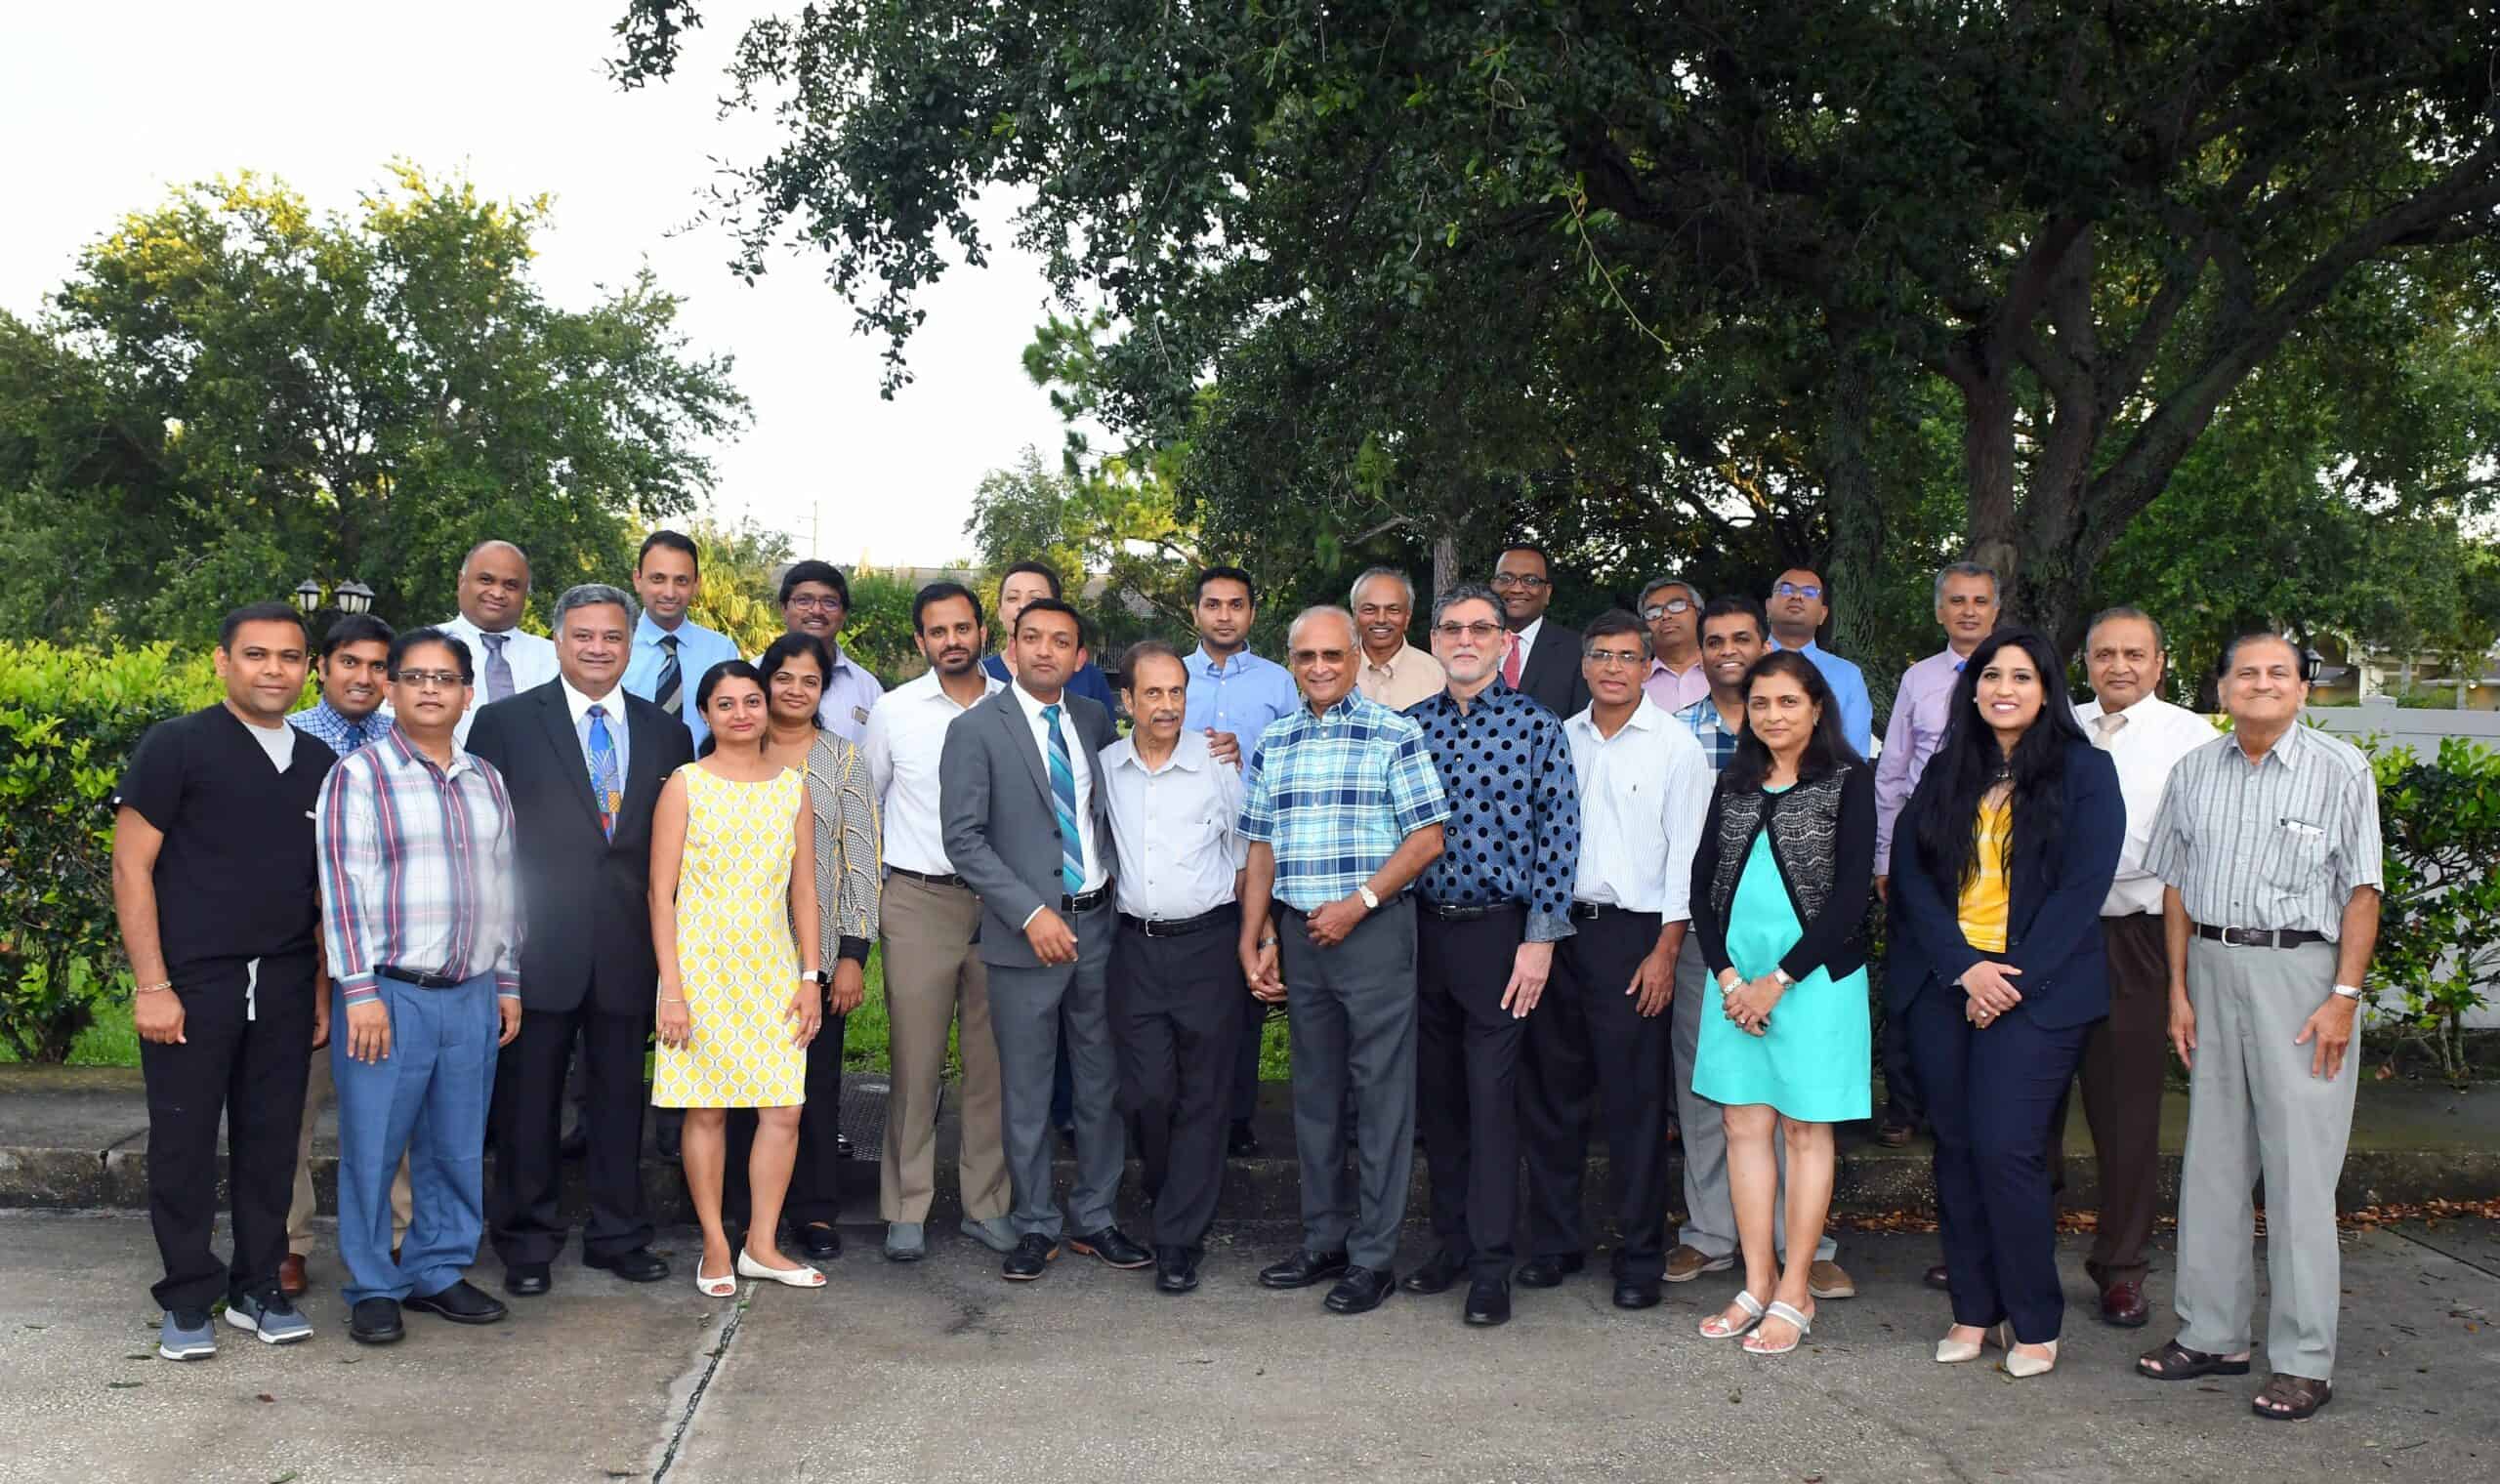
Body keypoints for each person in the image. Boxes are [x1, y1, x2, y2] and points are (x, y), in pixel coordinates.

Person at [2136, 633, 2382, 1422]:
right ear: (2222, 689)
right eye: (2248, 672)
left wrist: (2344, 995)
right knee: (2213, 1160)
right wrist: (2177, 988)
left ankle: (2305, 1359)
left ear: (2304, 690)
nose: (2264, 683)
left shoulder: (2340, 770)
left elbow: (2361, 892)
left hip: (2303, 981)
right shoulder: (2194, 771)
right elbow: (2174, 885)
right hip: (2209, 969)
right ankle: (2211, 1335)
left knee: (2300, 1175)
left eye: (2281, 673)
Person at [1888, 629, 2123, 1381]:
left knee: (2007, 1151)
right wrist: (1964, 970)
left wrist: (2006, 979)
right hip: (1948, 987)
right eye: (1992, 675)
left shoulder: (2086, 771)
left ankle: (2035, 1319)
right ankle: (1972, 1309)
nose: (2005, 688)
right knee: (1955, 1151)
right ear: (1973, 687)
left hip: (2038, 993)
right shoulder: (1948, 767)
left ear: (2047, 690)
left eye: (2021, 677)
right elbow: (1912, 876)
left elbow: (2084, 891)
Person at [112, 601, 337, 1360]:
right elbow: (131, 866)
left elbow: (315, 890)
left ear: (307, 668)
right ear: (222, 662)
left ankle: (257, 1288)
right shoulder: (176, 747)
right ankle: (186, 1296)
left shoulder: (316, 763)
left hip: (282, 980)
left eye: (288, 657)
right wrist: (152, 985)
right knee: (181, 1142)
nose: (274, 670)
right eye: (256, 655)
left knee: (272, 1144)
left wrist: (316, 989)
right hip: (191, 983)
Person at [469, 584, 694, 1296]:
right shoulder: (504, 724)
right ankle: (527, 1243)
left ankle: (617, 1233)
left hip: (629, 946)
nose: (598, 648)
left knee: (621, 1099)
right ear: (559, 640)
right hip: (536, 946)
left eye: (612, 637)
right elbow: (483, 844)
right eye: (583, 636)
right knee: (528, 1103)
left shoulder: (667, 733)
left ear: (630, 645)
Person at [314, 627, 524, 1344]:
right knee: (375, 1143)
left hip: (470, 992)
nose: (431, 689)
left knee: (457, 1143)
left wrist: (506, 979)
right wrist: (358, 993)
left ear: (468, 695)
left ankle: (437, 1268)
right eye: (415, 677)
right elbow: (343, 891)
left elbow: (504, 887)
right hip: (388, 994)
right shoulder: (361, 775)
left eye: (445, 678)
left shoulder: (487, 779)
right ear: (393, 691)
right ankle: (374, 1282)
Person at [1240, 606, 1450, 1316]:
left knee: (1382, 1098)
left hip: (1372, 933)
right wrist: (1260, 932)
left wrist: (1357, 903)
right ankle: (1323, 1238)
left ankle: (1373, 1256)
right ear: (1292, 661)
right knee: (1316, 1096)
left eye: (1334, 654)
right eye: (1307, 657)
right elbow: (1262, 847)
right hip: (1302, 936)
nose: (1321, 667)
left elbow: (1427, 839)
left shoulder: (1396, 732)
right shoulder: (1276, 741)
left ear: (1357, 657)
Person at [940, 596, 1152, 1281]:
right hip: (1025, 937)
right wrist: (1032, 914)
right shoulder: (976, 730)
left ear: (1079, 658)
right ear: (1010, 647)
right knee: (1027, 1090)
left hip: (1100, 926)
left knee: (1099, 1082)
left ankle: (1096, 1217)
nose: (1044, 650)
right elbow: (964, 840)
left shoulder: (1093, 718)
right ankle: (1035, 1223)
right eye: (1031, 637)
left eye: (1060, 641)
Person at [1397, 583, 1581, 1328]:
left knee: (1492, 1100)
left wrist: (1539, 940)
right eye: (1452, 628)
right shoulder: (1407, 729)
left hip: (1500, 937)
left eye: (1481, 628)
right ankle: (1450, 1244)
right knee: (1439, 1103)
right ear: (1436, 642)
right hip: (1420, 933)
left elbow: (1560, 839)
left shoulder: (1539, 727)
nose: (1465, 639)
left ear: (1505, 642)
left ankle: (1493, 1263)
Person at [1687, 650, 1872, 1357]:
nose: (1773, 716)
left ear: (1817, 707)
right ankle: (1755, 1281)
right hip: (1735, 989)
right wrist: (1732, 979)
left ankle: (1796, 1288)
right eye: (1760, 703)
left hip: (1814, 985)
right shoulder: (1732, 784)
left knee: (1803, 1134)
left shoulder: (1849, 781)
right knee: (1742, 1129)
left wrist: (1778, 981)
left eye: (1788, 702)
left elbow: (1852, 898)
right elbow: (1703, 888)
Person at [1522, 611, 1710, 1311]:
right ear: (1584, 664)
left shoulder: (1675, 748)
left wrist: (1666, 949)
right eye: (1600, 654)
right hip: (1556, 935)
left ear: (1645, 665)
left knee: (1634, 1106)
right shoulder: (1556, 738)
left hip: (1634, 940)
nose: (1612, 668)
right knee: (1551, 1099)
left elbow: (1691, 860)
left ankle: (1638, 1256)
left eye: (1627, 657)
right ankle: (1555, 1243)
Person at [649, 659, 827, 1297]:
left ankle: (762, 1243)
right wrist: (671, 988)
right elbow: (658, 893)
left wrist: (810, 976)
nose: (742, 713)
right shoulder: (685, 785)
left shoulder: (791, 787)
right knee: (709, 1110)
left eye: (751, 700)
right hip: (700, 971)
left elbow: (805, 890)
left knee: (784, 1108)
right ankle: (716, 1244)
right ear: (705, 714)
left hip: (772, 968)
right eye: (726, 704)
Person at [862, 582, 1015, 1260]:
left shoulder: (1016, 707)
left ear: (982, 631)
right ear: (920, 641)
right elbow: (869, 811)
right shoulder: (895, 712)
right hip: (919, 900)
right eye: (937, 631)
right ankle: (906, 1208)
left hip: (1002, 906)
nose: (952, 640)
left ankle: (987, 1205)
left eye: (962, 627)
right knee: (915, 1062)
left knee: (992, 1068)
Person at [2070, 606, 2213, 1328]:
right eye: (2104, 654)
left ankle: (2120, 1267)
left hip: (2139, 936)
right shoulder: (2059, 725)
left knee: (2126, 1111)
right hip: (2052, 936)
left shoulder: (2194, 738)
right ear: (2086, 662)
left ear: (2160, 663)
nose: (2118, 666)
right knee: (2022, 1103)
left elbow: (2191, 848)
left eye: (2134, 654)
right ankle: (2006, 1249)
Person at [1100, 639, 1248, 1294]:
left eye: (1177, 692)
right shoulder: (1105, 768)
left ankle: (1179, 1239)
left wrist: (1255, 938)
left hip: (1209, 946)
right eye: (1153, 693)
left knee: (1204, 1093)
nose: (1167, 705)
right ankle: (1169, 1192)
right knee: (1147, 1092)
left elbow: (1247, 857)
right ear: (1126, 700)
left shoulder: (1218, 764)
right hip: (1133, 947)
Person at [740, 633, 879, 1263]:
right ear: (765, 680)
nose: (795, 689)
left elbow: (860, 863)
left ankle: (815, 1213)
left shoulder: (843, 760)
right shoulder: (732, 749)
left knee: (812, 1088)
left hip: (814, 956)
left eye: (810, 680)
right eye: (785, 677)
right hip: (736, 951)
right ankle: (745, 1215)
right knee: (741, 1085)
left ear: (824, 690)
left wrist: (851, 954)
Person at [283, 612, 406, 1298]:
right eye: (350, 663)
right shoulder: (288, 740)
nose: (364, 677)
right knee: (292, 1108)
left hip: (387, 956)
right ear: (322, 667)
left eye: (378, 665)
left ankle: (399, 1238)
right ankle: (289, 1241)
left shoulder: (406, 742)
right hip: (301, 955)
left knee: (396, 1109)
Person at [1871, 561, 2002, 1149]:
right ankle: (1905, 1104)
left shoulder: (2018, 674)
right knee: (1910, 975)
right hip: (1923, 847)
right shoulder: (1919, 680)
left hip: (2000, 849)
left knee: (1984, 966)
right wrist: (1884, 857)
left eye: (1979, 600)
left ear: (1996, 611)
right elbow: (1893, 770)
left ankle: (1977, 1095)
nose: (1968, 610)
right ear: (1939, 611)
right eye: (1956, 600)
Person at [1182, 564, 1302, 1157]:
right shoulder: (1173, 678)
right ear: (1196, 611)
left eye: (1236, 604)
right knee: (1200, 985)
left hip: (1264, 853)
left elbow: (1294, 762)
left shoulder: (1280, 683)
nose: (1224, 615)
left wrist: (1244, 754)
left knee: (1253, 980)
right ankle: (1188, 1112)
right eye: (1213, 604)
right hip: (1191, 858)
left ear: (1252, 613)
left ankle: (1238, 1116)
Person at [625, 529, 742, 752]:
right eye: (658, 579)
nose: (669, 593)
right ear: (637, 579)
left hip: (704, 782)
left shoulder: (721, 651)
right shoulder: (613, 650)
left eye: (681, 581)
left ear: (696, 584)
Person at [438, 540, 559, 736]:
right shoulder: (422, 649)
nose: (497, 593)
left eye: (511, 585)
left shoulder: (555, 659)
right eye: (486, 580)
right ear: (461, 581)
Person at [982, 559, 1120, 715]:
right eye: (1012, 598)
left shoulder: (1090, 678)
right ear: (999, 610)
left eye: (1035, 599)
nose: (1022, 606)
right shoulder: (980, 674)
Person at [1764, 566, 1872, 757]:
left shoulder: (1847, 675)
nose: (1797, 597)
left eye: (1809, 592)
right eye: (1786, 589)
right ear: (1768, 606)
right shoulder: (1745, 663)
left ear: (1823, 614)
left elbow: (1855, 755)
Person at [776, 558, 886, 744]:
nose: (816, 610)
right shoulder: (755, 675)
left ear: (844, 614)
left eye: (829, 602)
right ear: (783, 609)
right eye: (804, 600)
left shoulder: (868, 688)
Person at [1492, 542, 1590, 720]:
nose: (1516, 588)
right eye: (1506, 579)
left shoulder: (1577, 651)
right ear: (1493, 586)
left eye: (1530, 581)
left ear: (1547, 592)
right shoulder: (1470, 642)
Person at [1351, 565, 1445, 711]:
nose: (1381, 619)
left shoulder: (1436, 675)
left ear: (1407, 617)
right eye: (1369, 609)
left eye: (1393, 610)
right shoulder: (1335, 671)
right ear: (1355, 615)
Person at [1638, 577, 1710, 714]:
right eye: (1653, 612)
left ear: (1699, 614)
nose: (1665, 616)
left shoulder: (1726, 670)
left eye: (1677, 606)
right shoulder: (1634, 683)